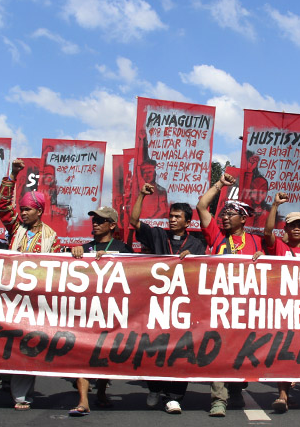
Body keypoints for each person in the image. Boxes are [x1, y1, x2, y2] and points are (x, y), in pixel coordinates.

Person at [130, 182, 204, 413]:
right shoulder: (157, 235)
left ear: (188, 222)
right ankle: (154, 388)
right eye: (170, 216)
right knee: (155, 349)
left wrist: (193, 259)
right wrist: (142, 195)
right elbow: (133, 222)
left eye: (177, 217)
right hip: (158, 304)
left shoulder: (197, 244)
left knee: (181, 351)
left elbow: (205, 271)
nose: (171, 220)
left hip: (183, 307)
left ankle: (175, 396)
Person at [0, 159, 65, 410]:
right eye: (22, 210)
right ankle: (7, 377)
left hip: (34, 300)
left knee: (27, 344)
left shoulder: (51, 237)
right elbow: (3, 206)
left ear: (39, 211)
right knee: (6, 340)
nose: (23, 213)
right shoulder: (15, 229)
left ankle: (22, 396)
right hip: (9, 295)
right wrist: (13, 175)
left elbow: (58, 267)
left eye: (27, 210)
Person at [196, 172, 263, 417]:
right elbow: (202, 206)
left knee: (241, 351)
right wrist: (219, 184)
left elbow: (272, 268)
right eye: (223, 214)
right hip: (219, 305)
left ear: (243, 219)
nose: (223, 217)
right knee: (219, 351)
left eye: (229, 214)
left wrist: (263, 259)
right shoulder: (216, 235)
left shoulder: (255, 241)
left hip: (245, 307)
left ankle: (236, 388)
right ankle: (218, 399)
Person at [69, 206, 132, 415]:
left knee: (104, 356)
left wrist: (111, 259)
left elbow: (134, 277)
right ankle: (83, 400)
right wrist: (74, 253)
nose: (95, 223)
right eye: (94, 220)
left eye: (101, 220)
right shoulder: (84, 249)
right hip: (85, 313)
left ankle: (102, 391)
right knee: (83, 355)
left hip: (110, 313)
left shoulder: (123, 250)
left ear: (112, 225)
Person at [260, 192, 300, 413]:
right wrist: (274, 205)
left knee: (296, 353)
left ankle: (288, 391)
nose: (296, 229)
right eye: (292, 225)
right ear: (285, 229)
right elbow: (266, 232)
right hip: (282, 309)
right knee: (283, 350)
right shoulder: (279, 248)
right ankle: (282, 395)